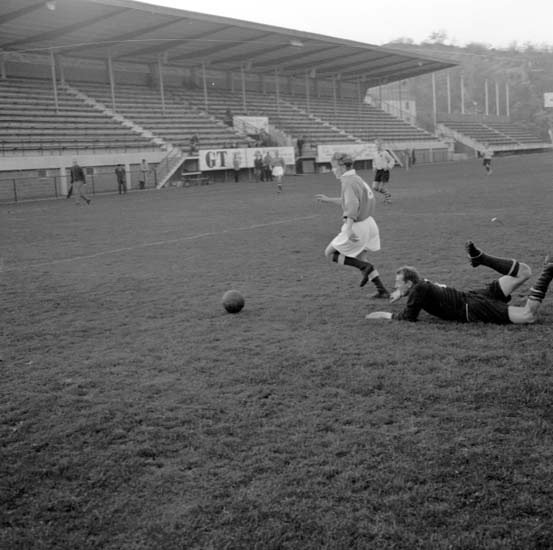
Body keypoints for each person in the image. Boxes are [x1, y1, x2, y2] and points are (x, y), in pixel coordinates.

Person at [366, 241, 553, 324]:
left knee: (527, 315)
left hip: (472, 308)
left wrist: (384, 314)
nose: (396, 286)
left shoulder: (418, 290)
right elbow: (415, 291)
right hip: (473, 295)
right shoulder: (421, 285)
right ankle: (481, 258)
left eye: (399, 283)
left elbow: (408, 317)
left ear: (409, 283)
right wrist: (401, 292)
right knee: (524, 271)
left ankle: (548, 271)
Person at [315, 152, 390, 299]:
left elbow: (352, 207)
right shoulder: (356, 178)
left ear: (342, 166)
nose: (333, 170)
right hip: (369, 223)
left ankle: (365, 268)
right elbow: (351, 201)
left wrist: (348, 230)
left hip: (357, 225)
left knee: (330, 253)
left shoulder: (348, 182)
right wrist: (328, 200)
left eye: (334, 166)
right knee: (361, 257)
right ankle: (382, 290)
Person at [372, 139, 395, 204]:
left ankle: (388, 200)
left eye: (379, 144)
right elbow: (374, 161)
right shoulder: (375, 153)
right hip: (378, 172)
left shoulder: (385, 153)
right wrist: (374, 167)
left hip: (384, 172)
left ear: (382, 145)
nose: (377, 146)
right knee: (374, 187)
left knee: (381, 187)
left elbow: (392, 160)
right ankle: (387, 194)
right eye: (376, 144)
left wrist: (388, 166)